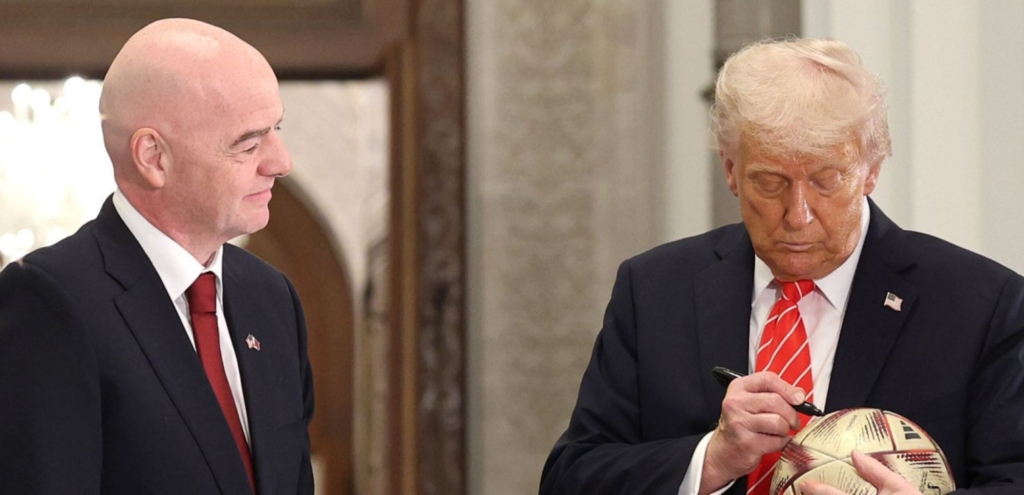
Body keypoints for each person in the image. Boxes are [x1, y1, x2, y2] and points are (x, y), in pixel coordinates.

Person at [540, 38, 1024, 495]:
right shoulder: (654, 291)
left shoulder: (980, 305)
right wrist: (712, 459)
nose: (798, 215)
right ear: (730, 170)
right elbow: (572, 477)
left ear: (871, 168)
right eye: (770, 183)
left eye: (826, 180)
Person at [0, 18, 314, 494]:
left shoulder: (273, 298)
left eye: (276, 129)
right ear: (153, 157)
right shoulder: (51, 301)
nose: (281, 161)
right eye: (250, 143)